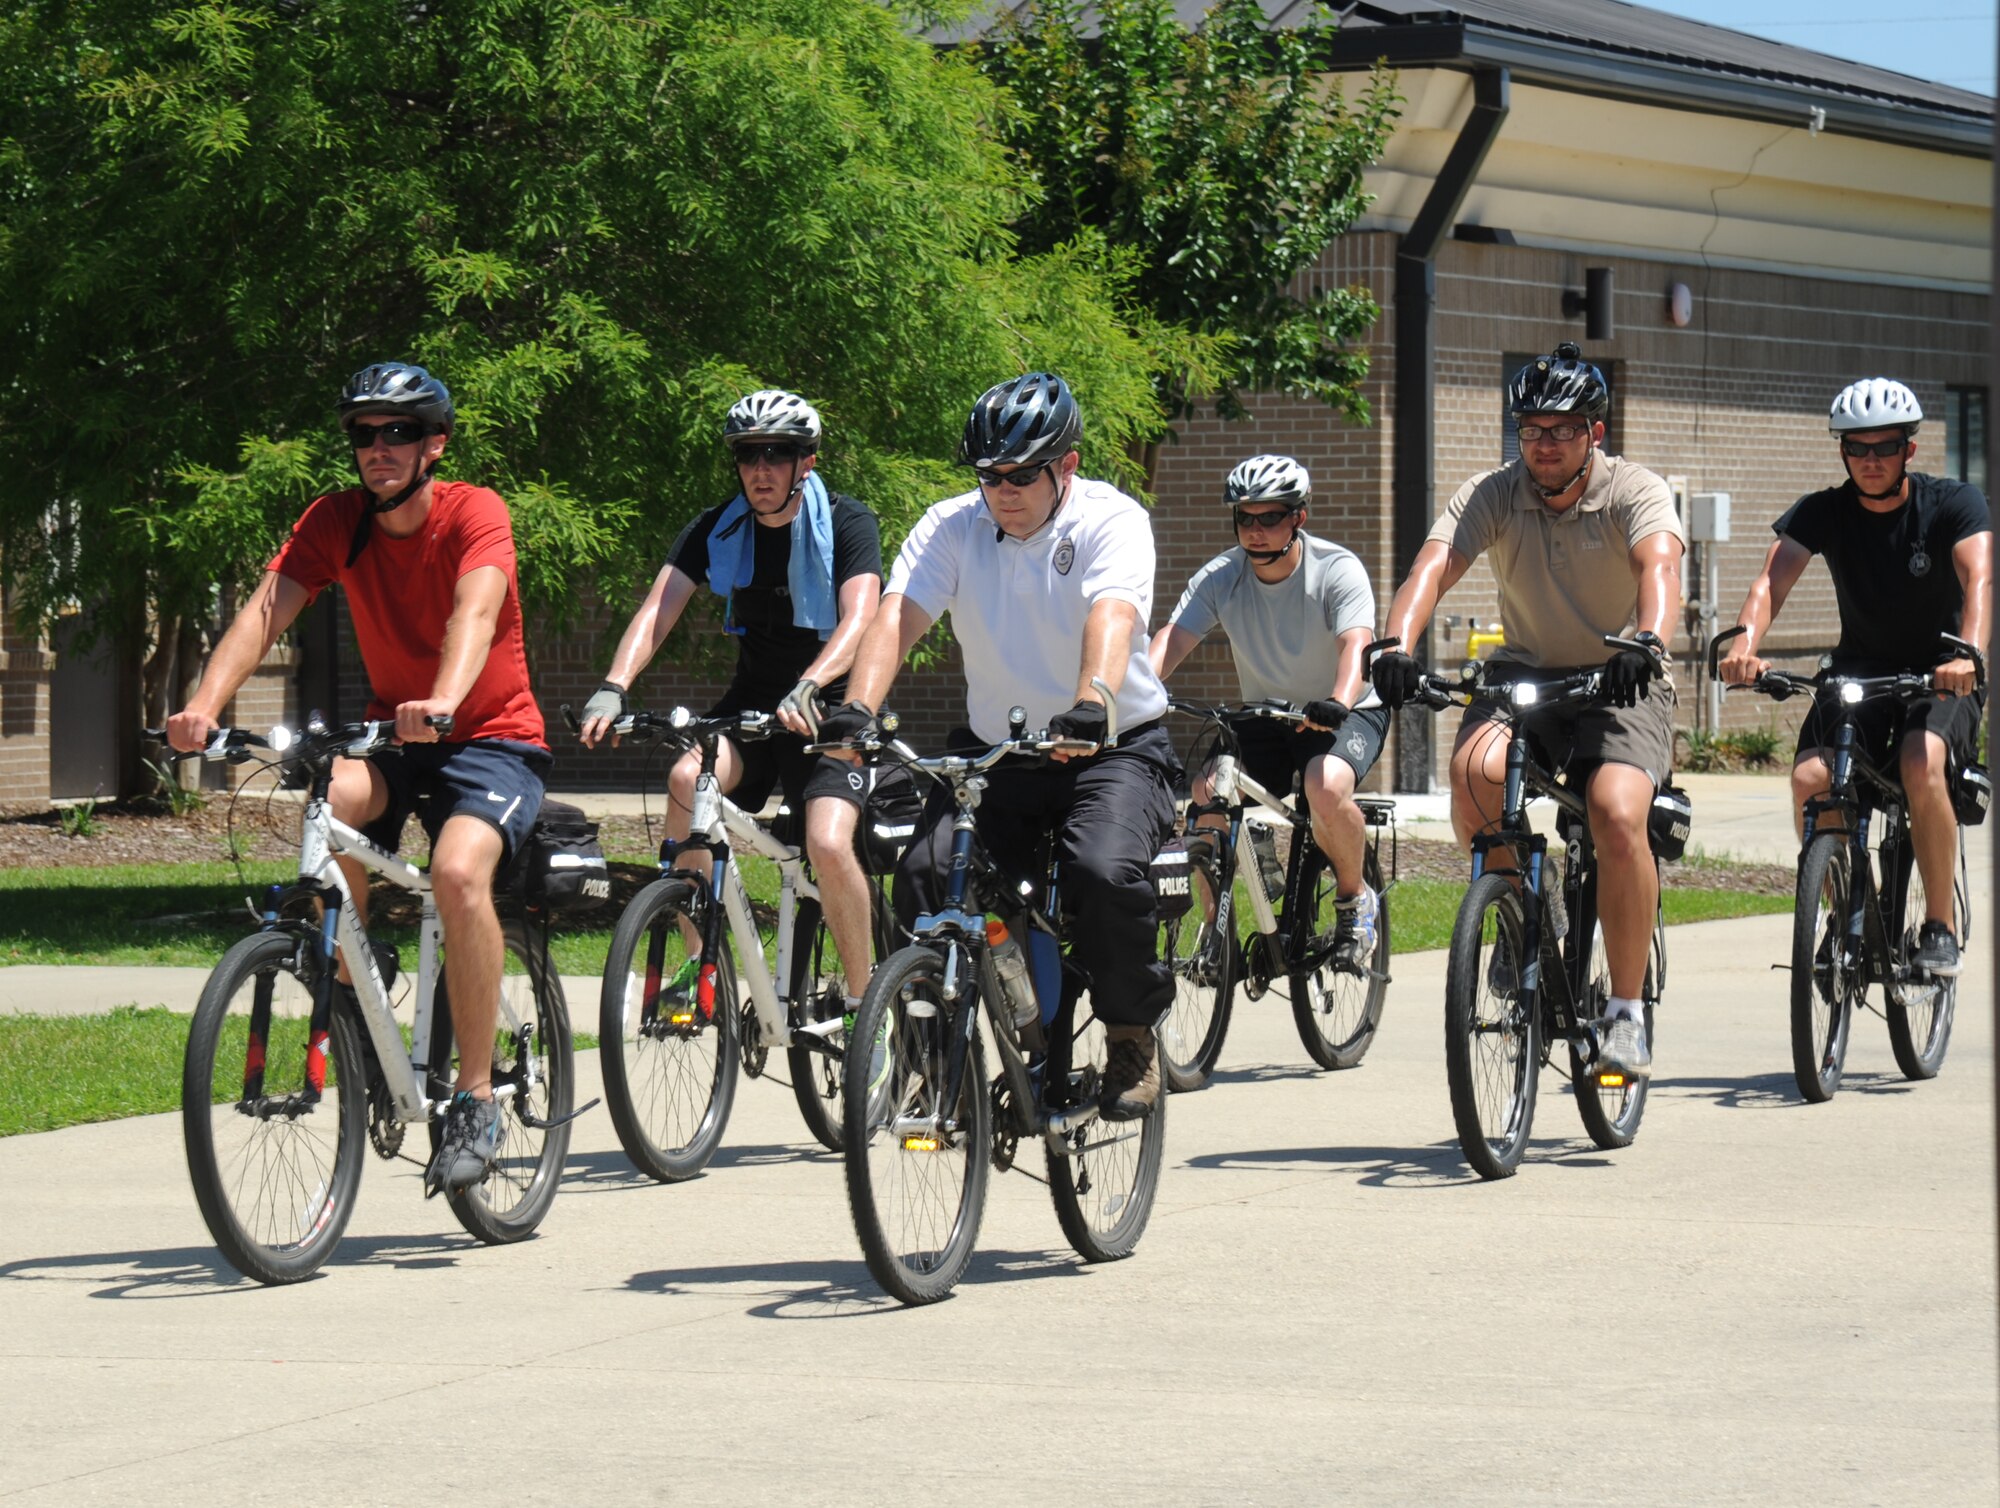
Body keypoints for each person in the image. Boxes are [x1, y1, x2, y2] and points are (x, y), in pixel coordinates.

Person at [167, 362, 549, 1194]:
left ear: (433, 443)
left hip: (489, 738)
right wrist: (201, 704)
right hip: (392, 734)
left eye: (398, 433)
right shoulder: (336, 520)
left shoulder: (474, 512)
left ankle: (477, 1098)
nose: (378, 449)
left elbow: (473, 613)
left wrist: (445, 699)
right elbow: (267, 608)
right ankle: (356, 970)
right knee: (331, 797)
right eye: (364, 434)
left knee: (455, 872)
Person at [819, 372, 1179, 1120]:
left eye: (1020, 474)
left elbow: (1110, 617)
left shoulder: (1112, 521)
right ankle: (945, 1053)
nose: (1002, 489)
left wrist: (1094, 702)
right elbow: (897, 617)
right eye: (989, 475)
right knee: (924, 876)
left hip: (1108, 748)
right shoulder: (952, 526)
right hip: (998, 754)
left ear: (1066, 466)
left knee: (1102, 873)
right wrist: (858, 708)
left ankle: (1130, 1037)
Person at [1373, 343, 1685, 1078]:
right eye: (1531, 429)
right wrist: (1394, 643)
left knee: (1612, 813)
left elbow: (1660, 567)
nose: (1543, 444)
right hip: (1527, 676)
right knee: (1474, 776)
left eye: (1562, 429)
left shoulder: (1634, 490)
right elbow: (1432, 568)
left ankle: (1626, 1013)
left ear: (1595, 434)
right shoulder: (1493, 492)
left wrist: (1647, 641)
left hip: (1620, 676)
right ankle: (1519, 919)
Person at [578, 390, 885, 1011]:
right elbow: (657, 610)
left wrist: (811, 682)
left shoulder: (849, 523)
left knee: (826, 845)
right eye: (748, 455)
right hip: (755, 709)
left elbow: (861, 619)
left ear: (809, 462)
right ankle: (700, 966)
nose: (760, 469)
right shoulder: (718, 527)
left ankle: (865, 1006)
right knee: (686, 780)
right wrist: (614, 686)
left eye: (777, 453)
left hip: (829, 710)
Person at [1718, 378, 1992, 976]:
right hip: (1860, 673)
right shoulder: (1825, 510)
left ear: (1909, 451)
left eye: (1884, 447)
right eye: (1857, 448)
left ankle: (1939, 926)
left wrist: (1968, 654)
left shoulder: (1953, 503)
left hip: (1941, 675)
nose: (1870, 460)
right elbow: (1772, 580)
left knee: (1922, 762)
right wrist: (1745, 642)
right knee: (1811, 778)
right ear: (1843, 451)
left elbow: (1980, 580)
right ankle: (1844, 913)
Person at [1148, 454, 1391, 967]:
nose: (1255, 531)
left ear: (1298, 516)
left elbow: (1357, 647)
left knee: (1323, 786)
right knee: (1207, 793)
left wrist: (1339, 701)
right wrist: (1132, 693)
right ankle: (1217, 937)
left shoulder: (1336, 569)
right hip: (1264, 716)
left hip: (1342, 711)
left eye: (1270, 517)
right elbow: (1174, 639)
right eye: (1245, 518)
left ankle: (1355, 900)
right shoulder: (1222, 576)